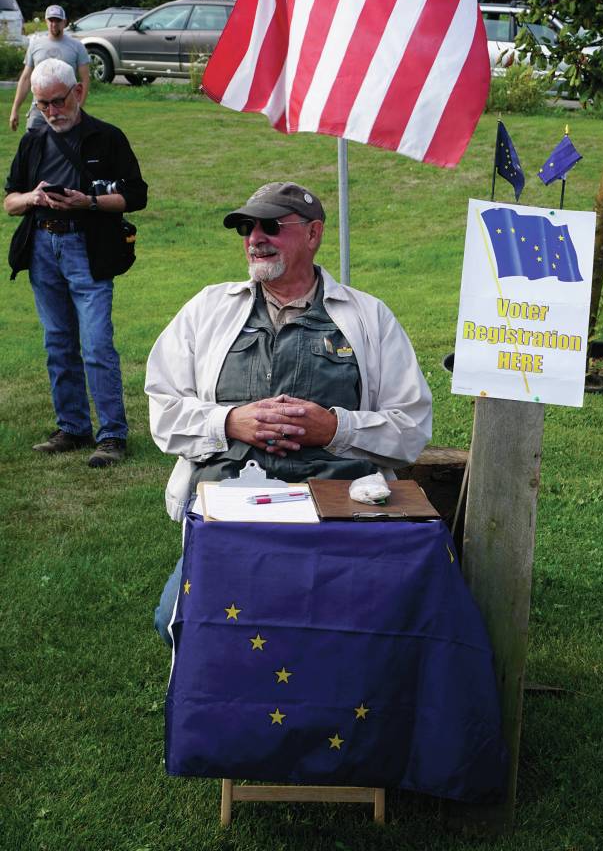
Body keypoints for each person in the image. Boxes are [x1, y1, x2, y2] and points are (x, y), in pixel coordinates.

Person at [146, 181, 432, 643]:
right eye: (246, 226)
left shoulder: (368, 317)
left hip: (339, 502)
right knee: (177, 620)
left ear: (313, 234)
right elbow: (164, 410)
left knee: (365, 624)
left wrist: (336, 428)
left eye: (271, 226)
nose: (255, 237)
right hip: (230, 500)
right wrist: (229, 421)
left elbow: (411, 425)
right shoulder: (209, 309)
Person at [4, 58, 148, 466]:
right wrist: (33, 198)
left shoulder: (107, 138)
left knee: (97, 344)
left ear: (79, 93)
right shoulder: (33, 140)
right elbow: (10, 200)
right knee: (57, 342)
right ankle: (72, 427)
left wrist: (89, 202)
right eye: (42, 104)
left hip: (88, 247)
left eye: (57, 102)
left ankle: (112, 436)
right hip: (42, 247)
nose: (50, 112)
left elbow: (136, 195)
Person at [9, 4, 90, 132]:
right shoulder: (35, 45)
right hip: (40, 107)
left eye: (58, 20)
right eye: (51, 20)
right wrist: (15, 110)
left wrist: (78, 108)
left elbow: (85, 80)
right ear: (46, 21)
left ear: (64, 22)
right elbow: (25, 79)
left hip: (65, 107)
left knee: (66, 147)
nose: (54, 24)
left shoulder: (77, 46)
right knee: (32, 144)